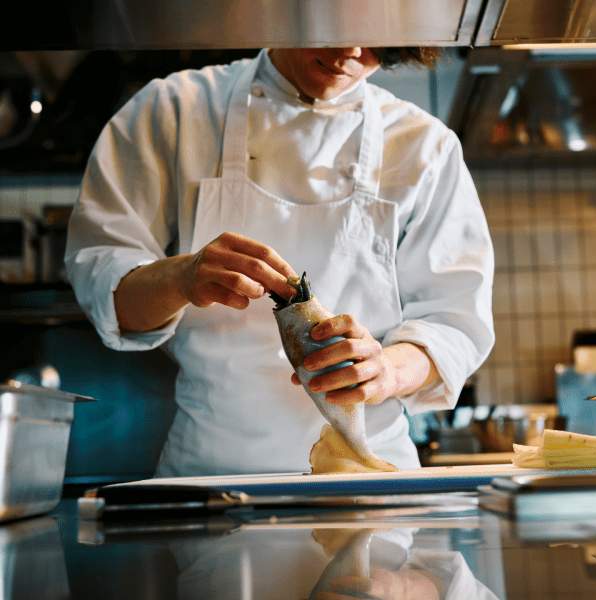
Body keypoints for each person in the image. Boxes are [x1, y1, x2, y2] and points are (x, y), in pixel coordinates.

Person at [65, 47, 494, 477]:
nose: (352, 51)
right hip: (212, 481)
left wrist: (387, 371)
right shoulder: (174, 111)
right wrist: (181, 277)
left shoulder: (426, 146)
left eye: (380, 42)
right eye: (335, 22)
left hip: (367, 478)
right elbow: (112, 296)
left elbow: (454, 323)